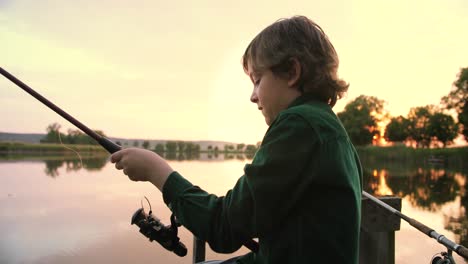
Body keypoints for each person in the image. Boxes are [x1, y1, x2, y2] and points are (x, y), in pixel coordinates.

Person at [111, 15, 362, 264]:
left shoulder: (299, 125)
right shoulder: (329, 128)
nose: (253, 97)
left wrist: (158, 172)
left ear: (292, 72)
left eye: (257, 80)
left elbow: (223, 228)